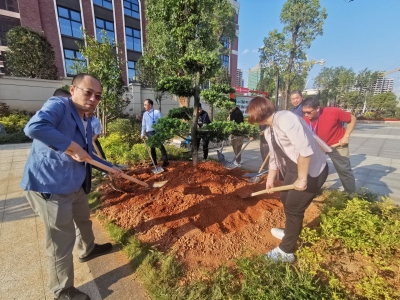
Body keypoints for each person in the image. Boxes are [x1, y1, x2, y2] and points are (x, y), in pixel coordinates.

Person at [20, 73, 123, 300]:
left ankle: (88, 249)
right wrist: (71, 146)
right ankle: (63, 290)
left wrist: (112, 167)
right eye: (88, 92)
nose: (93, 99)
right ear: (73, 90)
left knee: (84, 219)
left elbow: (87, 155)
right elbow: (34, 127)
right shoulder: (59, 105)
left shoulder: (84, 119)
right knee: (60, 241)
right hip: (50, 187)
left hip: (74, 185)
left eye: (97, 96)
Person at [247, 96, 330, 263]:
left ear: (257, 114)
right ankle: (290, 231)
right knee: (285, 198)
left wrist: (302, 179)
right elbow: (273, 158)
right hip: (294, 169)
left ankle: (286, 251)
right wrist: (270, 179)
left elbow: (305, 150)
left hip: (310, 171)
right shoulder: (270, 130)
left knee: (294, 208)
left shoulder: (285, 118)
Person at [302, 97, 357, 193]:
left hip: (337, 145)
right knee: (313, 169)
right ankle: (311, 191)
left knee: (344, 170)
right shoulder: (304, 119)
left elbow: (352, 118)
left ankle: (351, 194)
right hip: (319, 147)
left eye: (309, 112)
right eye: (304, 112)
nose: (306, 115)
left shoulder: (333, 112)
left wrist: (346, 136)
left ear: (318, 108)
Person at [141, 99, 169, 167]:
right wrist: (142, 134)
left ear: (150, 105)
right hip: (148, 132)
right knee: (152, 147)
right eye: (144, 105)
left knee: (160, 146)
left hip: (156, 131)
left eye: (145, 104)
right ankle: (154, 162)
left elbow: (161, 122)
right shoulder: (145, 114)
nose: (144, 106)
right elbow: (143, 125)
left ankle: (166, 161)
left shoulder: (156, 112)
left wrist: (159, 132)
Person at [227, 101, 244, 167]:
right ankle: (239, 159)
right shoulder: (237, 111)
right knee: (238, 148)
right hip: (239, 133)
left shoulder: (236, 113)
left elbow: (229, 120)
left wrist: (229, 118)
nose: (230, 109)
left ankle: (238, 162)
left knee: (236, 147)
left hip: (237, 134)